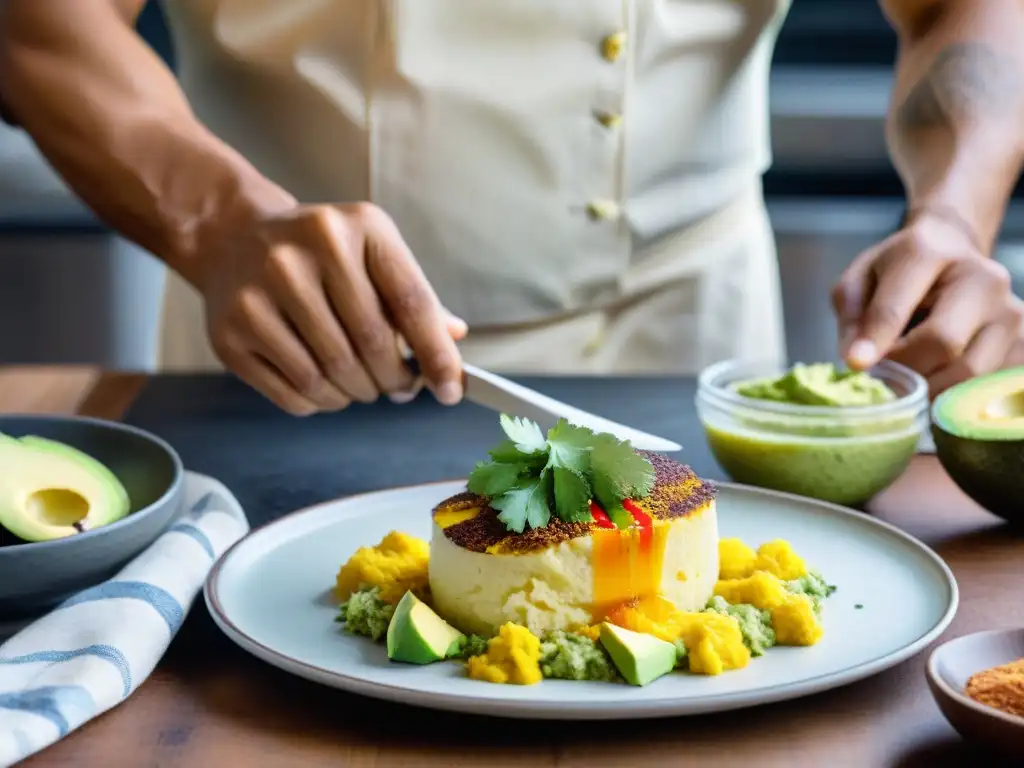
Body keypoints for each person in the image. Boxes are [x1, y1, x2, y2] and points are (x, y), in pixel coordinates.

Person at [1, 1, 1022, 416]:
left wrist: (953, 215)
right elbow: (43, 22)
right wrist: (219, 223)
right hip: (290, 352)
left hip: (689, 348)